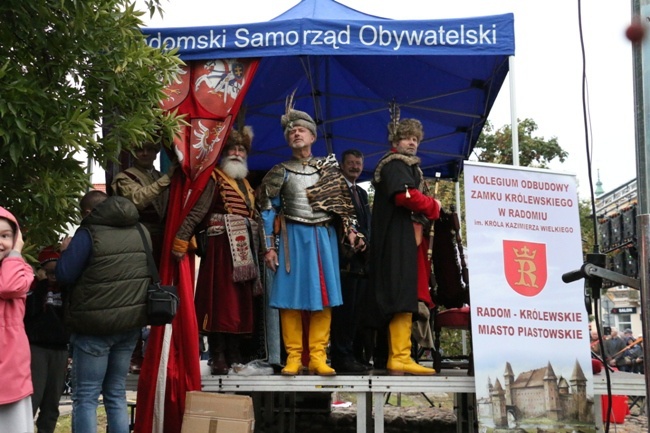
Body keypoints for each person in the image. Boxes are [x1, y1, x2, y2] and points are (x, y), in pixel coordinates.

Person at [258, 101, 364, 376]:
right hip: (292, 239)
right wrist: (269, 247)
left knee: (324, 296)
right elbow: (268, 210)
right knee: (289, 298)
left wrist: (353, 232)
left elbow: (343, 207)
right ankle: (294, 356)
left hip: (323, 238)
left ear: (313, 136)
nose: (296, 133)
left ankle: (318, 355)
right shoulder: (280, 171)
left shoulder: (328, 170)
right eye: (291, 131)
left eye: (302, 130)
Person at [56, 190, 150, 433]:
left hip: (93, 327)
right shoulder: (141, 231)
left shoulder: (88, 234)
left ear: (88, 212)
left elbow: (65, 275)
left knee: (86, 396)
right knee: (116, 393)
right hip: (130, 325)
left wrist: (65, 251)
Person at [172, 125, 262, 375]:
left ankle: (234, 352)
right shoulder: (214, 177)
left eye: (241, 149)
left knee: (238, 305)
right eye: (232, 148)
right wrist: (182, 238)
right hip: (221, 249)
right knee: (220, 303)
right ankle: (217, 353)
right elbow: (198, 210)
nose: (236, 152)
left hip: (243, 251)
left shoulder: (246, 183)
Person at [366, 116, 440, 376]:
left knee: (405, 295)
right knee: (400, 295)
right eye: (407, 137)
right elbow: (403, 196)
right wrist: (433, 206)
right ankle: (398, 357)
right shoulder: (395, 163)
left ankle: (401, 355)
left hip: (403, 238)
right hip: (395, 238)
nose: (412, 142)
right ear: (396, 140)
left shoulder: (405, 165)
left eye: (416, 139)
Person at [111, 139, 176, 373]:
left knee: (161, 294)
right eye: (140, 148)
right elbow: (137, 200)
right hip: (137, 238)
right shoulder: (124, 177)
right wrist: (166, 180)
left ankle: (160, 351)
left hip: (163, 239)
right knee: (137, 296)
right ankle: (134, 353)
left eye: (150, 148)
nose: (145, 152)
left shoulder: (159, 174)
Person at [329, 149, 372, 374]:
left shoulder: (362, 193)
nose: (355, 167)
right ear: (342, 165)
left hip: (360, 263)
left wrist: (367, 244)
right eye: (351, 163)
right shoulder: (336, 189)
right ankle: (340, 356)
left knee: (357, 313)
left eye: (358, 163)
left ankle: (354, 355)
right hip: (342, 260)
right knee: (343, 313)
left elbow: (367, 225)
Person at [24, 246, 69, 433]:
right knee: (33, 398)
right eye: (48, 271)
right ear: (41, 270)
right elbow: (29, 313)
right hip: (37, 348)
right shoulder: (33, 288)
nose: (53, 276)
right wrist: (42, 285)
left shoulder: (67, 288)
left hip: (60, 348)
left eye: (56, 271)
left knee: (52, 402)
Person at [0, 207, 35, 433]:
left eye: (5, 235)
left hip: (11, 372)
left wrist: (15, 254)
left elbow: (9, 286)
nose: (0, 242)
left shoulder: (22, 270)